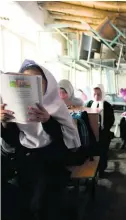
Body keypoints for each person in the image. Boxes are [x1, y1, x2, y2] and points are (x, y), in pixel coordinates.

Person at [1, 59, 81, 219]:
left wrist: (48, 121)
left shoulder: (57, 107)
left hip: (51, 165)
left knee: (42, 203)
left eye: (37, 82)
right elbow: (13, 142)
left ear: (47, 85)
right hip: (25, 166)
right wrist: (4, 122)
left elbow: (68, 144)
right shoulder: (15, 109)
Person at [85, 84, 115, 178]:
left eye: (99, 94)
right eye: (94, 94)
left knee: (102, 151)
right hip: (91, 133)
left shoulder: (107, 105)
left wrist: (103, 129)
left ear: (103, 94)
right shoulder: (89, 104)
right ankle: (92, 170)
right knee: (92, 151)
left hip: (103, 132)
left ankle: (102, 169)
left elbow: (111, 120)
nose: (96, 96)